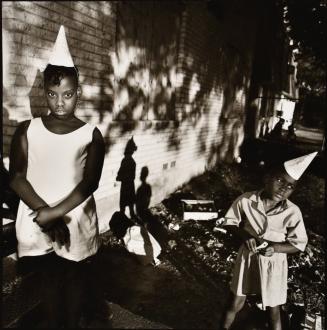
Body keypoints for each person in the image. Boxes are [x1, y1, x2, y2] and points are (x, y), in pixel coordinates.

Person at [9, 26, 105, 327]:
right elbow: (16, 177)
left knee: (74, 277)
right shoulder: (27, 130)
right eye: (52, 94)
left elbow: (90, 182)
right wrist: (45, 214)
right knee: (48, 280)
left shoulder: (91, 135)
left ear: (78, 92)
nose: (59, 102)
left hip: (74, 219)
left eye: (67, 94)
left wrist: (55, 213)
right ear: (44, 93)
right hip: (40, 217)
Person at [220, 152, 318, 330]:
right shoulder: (247, 200)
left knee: (273, 309)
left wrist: (277, 248)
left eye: (290, 186)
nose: (283, 188)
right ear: (267, 178)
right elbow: (229, 222)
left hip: (274, 263)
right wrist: (246, 236)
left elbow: (299, 243)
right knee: (235, 301)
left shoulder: (292, 211)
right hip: (248, 258)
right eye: (280, 180)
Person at [116, 137, 138, 221]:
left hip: (126, 186)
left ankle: (124, 220)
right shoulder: (132, 162)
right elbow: (132, 176)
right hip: (129, 185)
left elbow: (119, 174)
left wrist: (120, 177)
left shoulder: (125, 161)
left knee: (124, 205)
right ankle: (131, 219)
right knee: (130, 204)